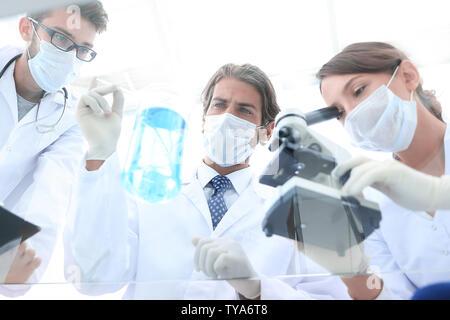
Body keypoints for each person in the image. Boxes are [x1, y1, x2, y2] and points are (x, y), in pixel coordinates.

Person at [64, 63, 349, 299]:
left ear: (266, 131)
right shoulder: (148, 194)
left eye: (244, 110)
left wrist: (258, 288)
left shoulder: (293, 211)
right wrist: (98, 154)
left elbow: (330, 296)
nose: (227, 117)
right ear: (203, 119)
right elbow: (94, 278)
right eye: (220, 105)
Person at [315, 41, 450, 299]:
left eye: (359, 90)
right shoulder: (373, 204)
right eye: (340, 112)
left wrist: (437, 193)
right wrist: (353, 274)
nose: (353, 114)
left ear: (408, 76)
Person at [0, 2, 109, 296]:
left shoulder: (70, 121)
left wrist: (19, 263)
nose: (69, 56)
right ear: (27, 29)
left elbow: (49, 198)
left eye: (82, 49)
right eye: (61, 38)